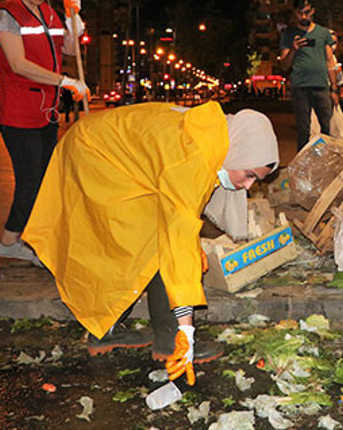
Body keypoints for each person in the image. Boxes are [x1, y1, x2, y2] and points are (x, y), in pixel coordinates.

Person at [22, 102, 279, 386]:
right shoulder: (192, 157)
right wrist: (187, 331)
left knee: (148, 237)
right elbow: (177, 239)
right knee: (143, 242)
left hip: (105, 148)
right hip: (94, 155)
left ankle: (108, 329)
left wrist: (188, 243)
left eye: (256, 180)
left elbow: (180, 208)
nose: (248, 187)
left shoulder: (216, 136)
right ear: (239, 151)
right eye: (249, 175)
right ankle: (168, 338)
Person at [0, 0, 89, 264]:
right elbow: (18, 64)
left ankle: (29, 240)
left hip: (46, 112)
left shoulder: (49, 13)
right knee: (30, 182)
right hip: (18, 113)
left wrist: (74, 23)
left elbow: (68, 50)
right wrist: (65, 81)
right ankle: (10, 241)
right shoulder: (6, 16)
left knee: (46, 181)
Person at [279, 0, 340, 150]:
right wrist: (293, 49)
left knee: (326, 129)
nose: (304, 16)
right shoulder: (289, 34)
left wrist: (334, 89)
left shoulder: (323, 33)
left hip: (321, 86)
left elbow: (329, 61)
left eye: (307, 12)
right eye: (300, 13)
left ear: (313, 11)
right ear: (295, 13)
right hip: (300, 87)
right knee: (303, 130)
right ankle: (303, 162)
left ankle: (325, 160)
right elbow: (284, 65)